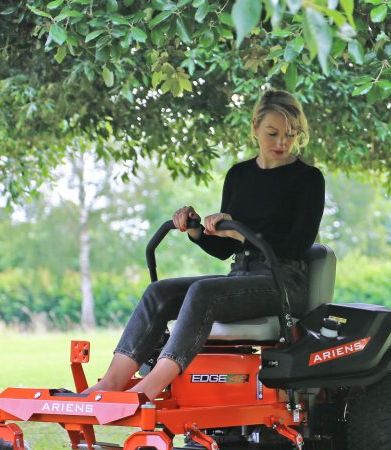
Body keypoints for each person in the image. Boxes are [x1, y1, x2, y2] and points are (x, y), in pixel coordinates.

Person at [87, 89, 325, 398]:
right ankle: (111, 383)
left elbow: (297, 245)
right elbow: (225, 249)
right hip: (241, 276)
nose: (282, 142)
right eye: (273, 133)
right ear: (255, 126)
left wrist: (241, 233)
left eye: (290, 135)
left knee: (203, 291)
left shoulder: (308, 179)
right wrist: (197, 231)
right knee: (159, 292)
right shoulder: (239, 176)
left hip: (283, 282)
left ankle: (151, 386)